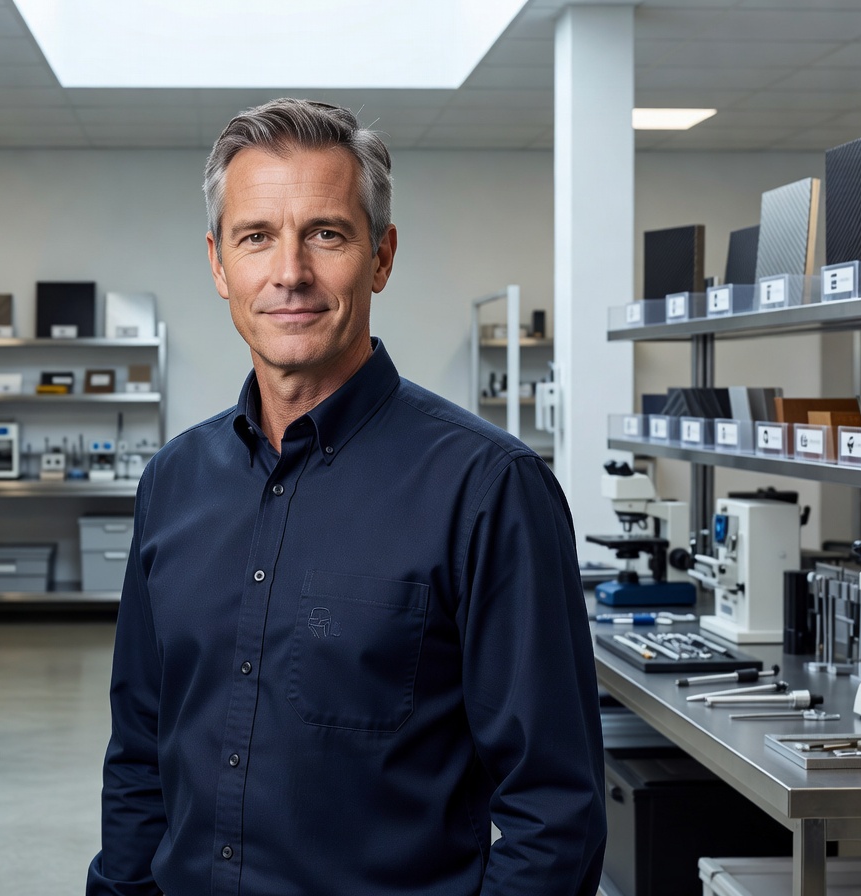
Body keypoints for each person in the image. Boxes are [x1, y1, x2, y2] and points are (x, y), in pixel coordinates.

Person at [87, 98, 605, 896]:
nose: (289, 273)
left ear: (382, 256)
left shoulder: (487, 488)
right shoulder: (173, 484)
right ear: (220, 263)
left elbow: (554, 812)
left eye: (325, 234)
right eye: (255, 237)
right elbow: (137, 756)